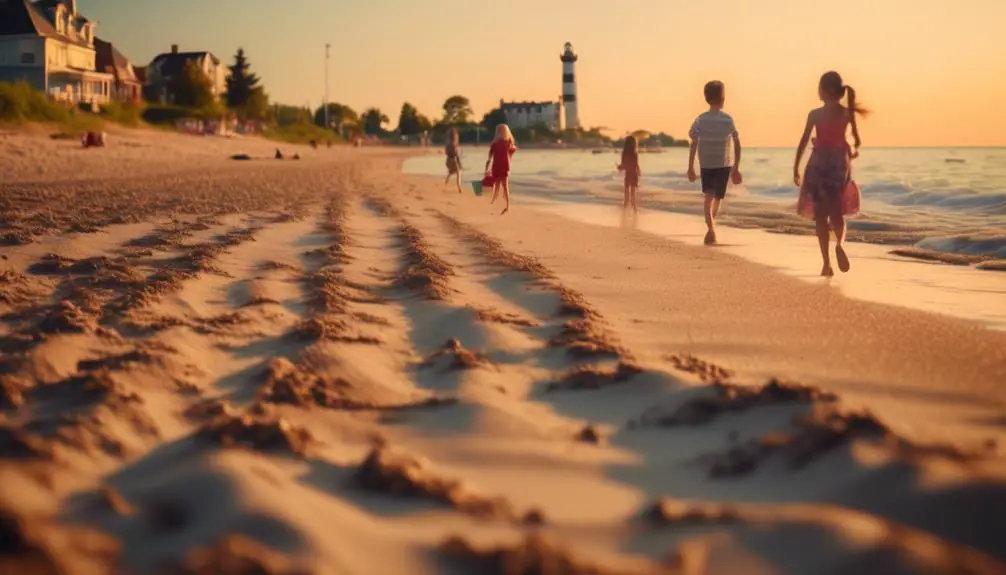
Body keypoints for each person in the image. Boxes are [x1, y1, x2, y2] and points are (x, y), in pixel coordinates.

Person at [793, 70, 868, 276]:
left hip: (817, 166)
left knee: (820, 216)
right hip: (838, 165)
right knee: (836, 213)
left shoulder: (815, 114)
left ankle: (826, 263)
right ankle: (840, 244)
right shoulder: (846, 113)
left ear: (825, 91)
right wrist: (850, 150)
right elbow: (857, 141)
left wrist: (796, 167)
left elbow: (803, 141)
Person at [687, 81, 742, 245]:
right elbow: (737, 143)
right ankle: (711, 227)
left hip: (707, 165)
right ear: (723, 97)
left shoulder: (700, 120)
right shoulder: (727, 120)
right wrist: (736, 167)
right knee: (717, 197)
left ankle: (711, 226)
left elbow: (693, 141)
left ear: (706, 98)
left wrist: (690, 166)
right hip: (724, 165)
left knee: (709, 197)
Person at [485, 123, 517, 215]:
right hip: (505, 166)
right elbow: (512, 151)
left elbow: (489, 158)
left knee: (497, 185)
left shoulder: (494, 144)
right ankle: (507, 205)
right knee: (505, 186)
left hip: (496, 166)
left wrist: (486, 169)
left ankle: (493, 201)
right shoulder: (508, 142)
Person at [617, 135, 641, 213]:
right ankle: (634, 209)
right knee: (633, 193)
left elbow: (624, 165)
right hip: (634, 174)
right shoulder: (635, 153)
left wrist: (619, 167)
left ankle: (625, 209)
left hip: (628, 175)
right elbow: (636, 165)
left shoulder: (624, 153)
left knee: (627, 194)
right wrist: (639, 171)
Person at [444, 128, 463, 193]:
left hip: (448, 161)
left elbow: (446, 152)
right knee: (459, 172)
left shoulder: (447, 144)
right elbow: (456, 155)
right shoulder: (454, 145)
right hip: (453, 161)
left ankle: (447, 179)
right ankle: (459, 187)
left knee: (452, 171)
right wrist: (459, 163)